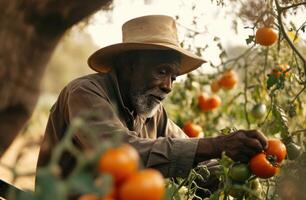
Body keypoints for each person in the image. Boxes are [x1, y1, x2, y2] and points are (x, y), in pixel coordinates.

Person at [37, 15, 267, 186]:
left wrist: (246, 168)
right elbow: (118, 153)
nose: (168, 86)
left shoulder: (153, 113)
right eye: (162, 71)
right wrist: (217, 145)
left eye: (173, 77)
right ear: (129, 65)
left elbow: (195, 159)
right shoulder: (85, 92)